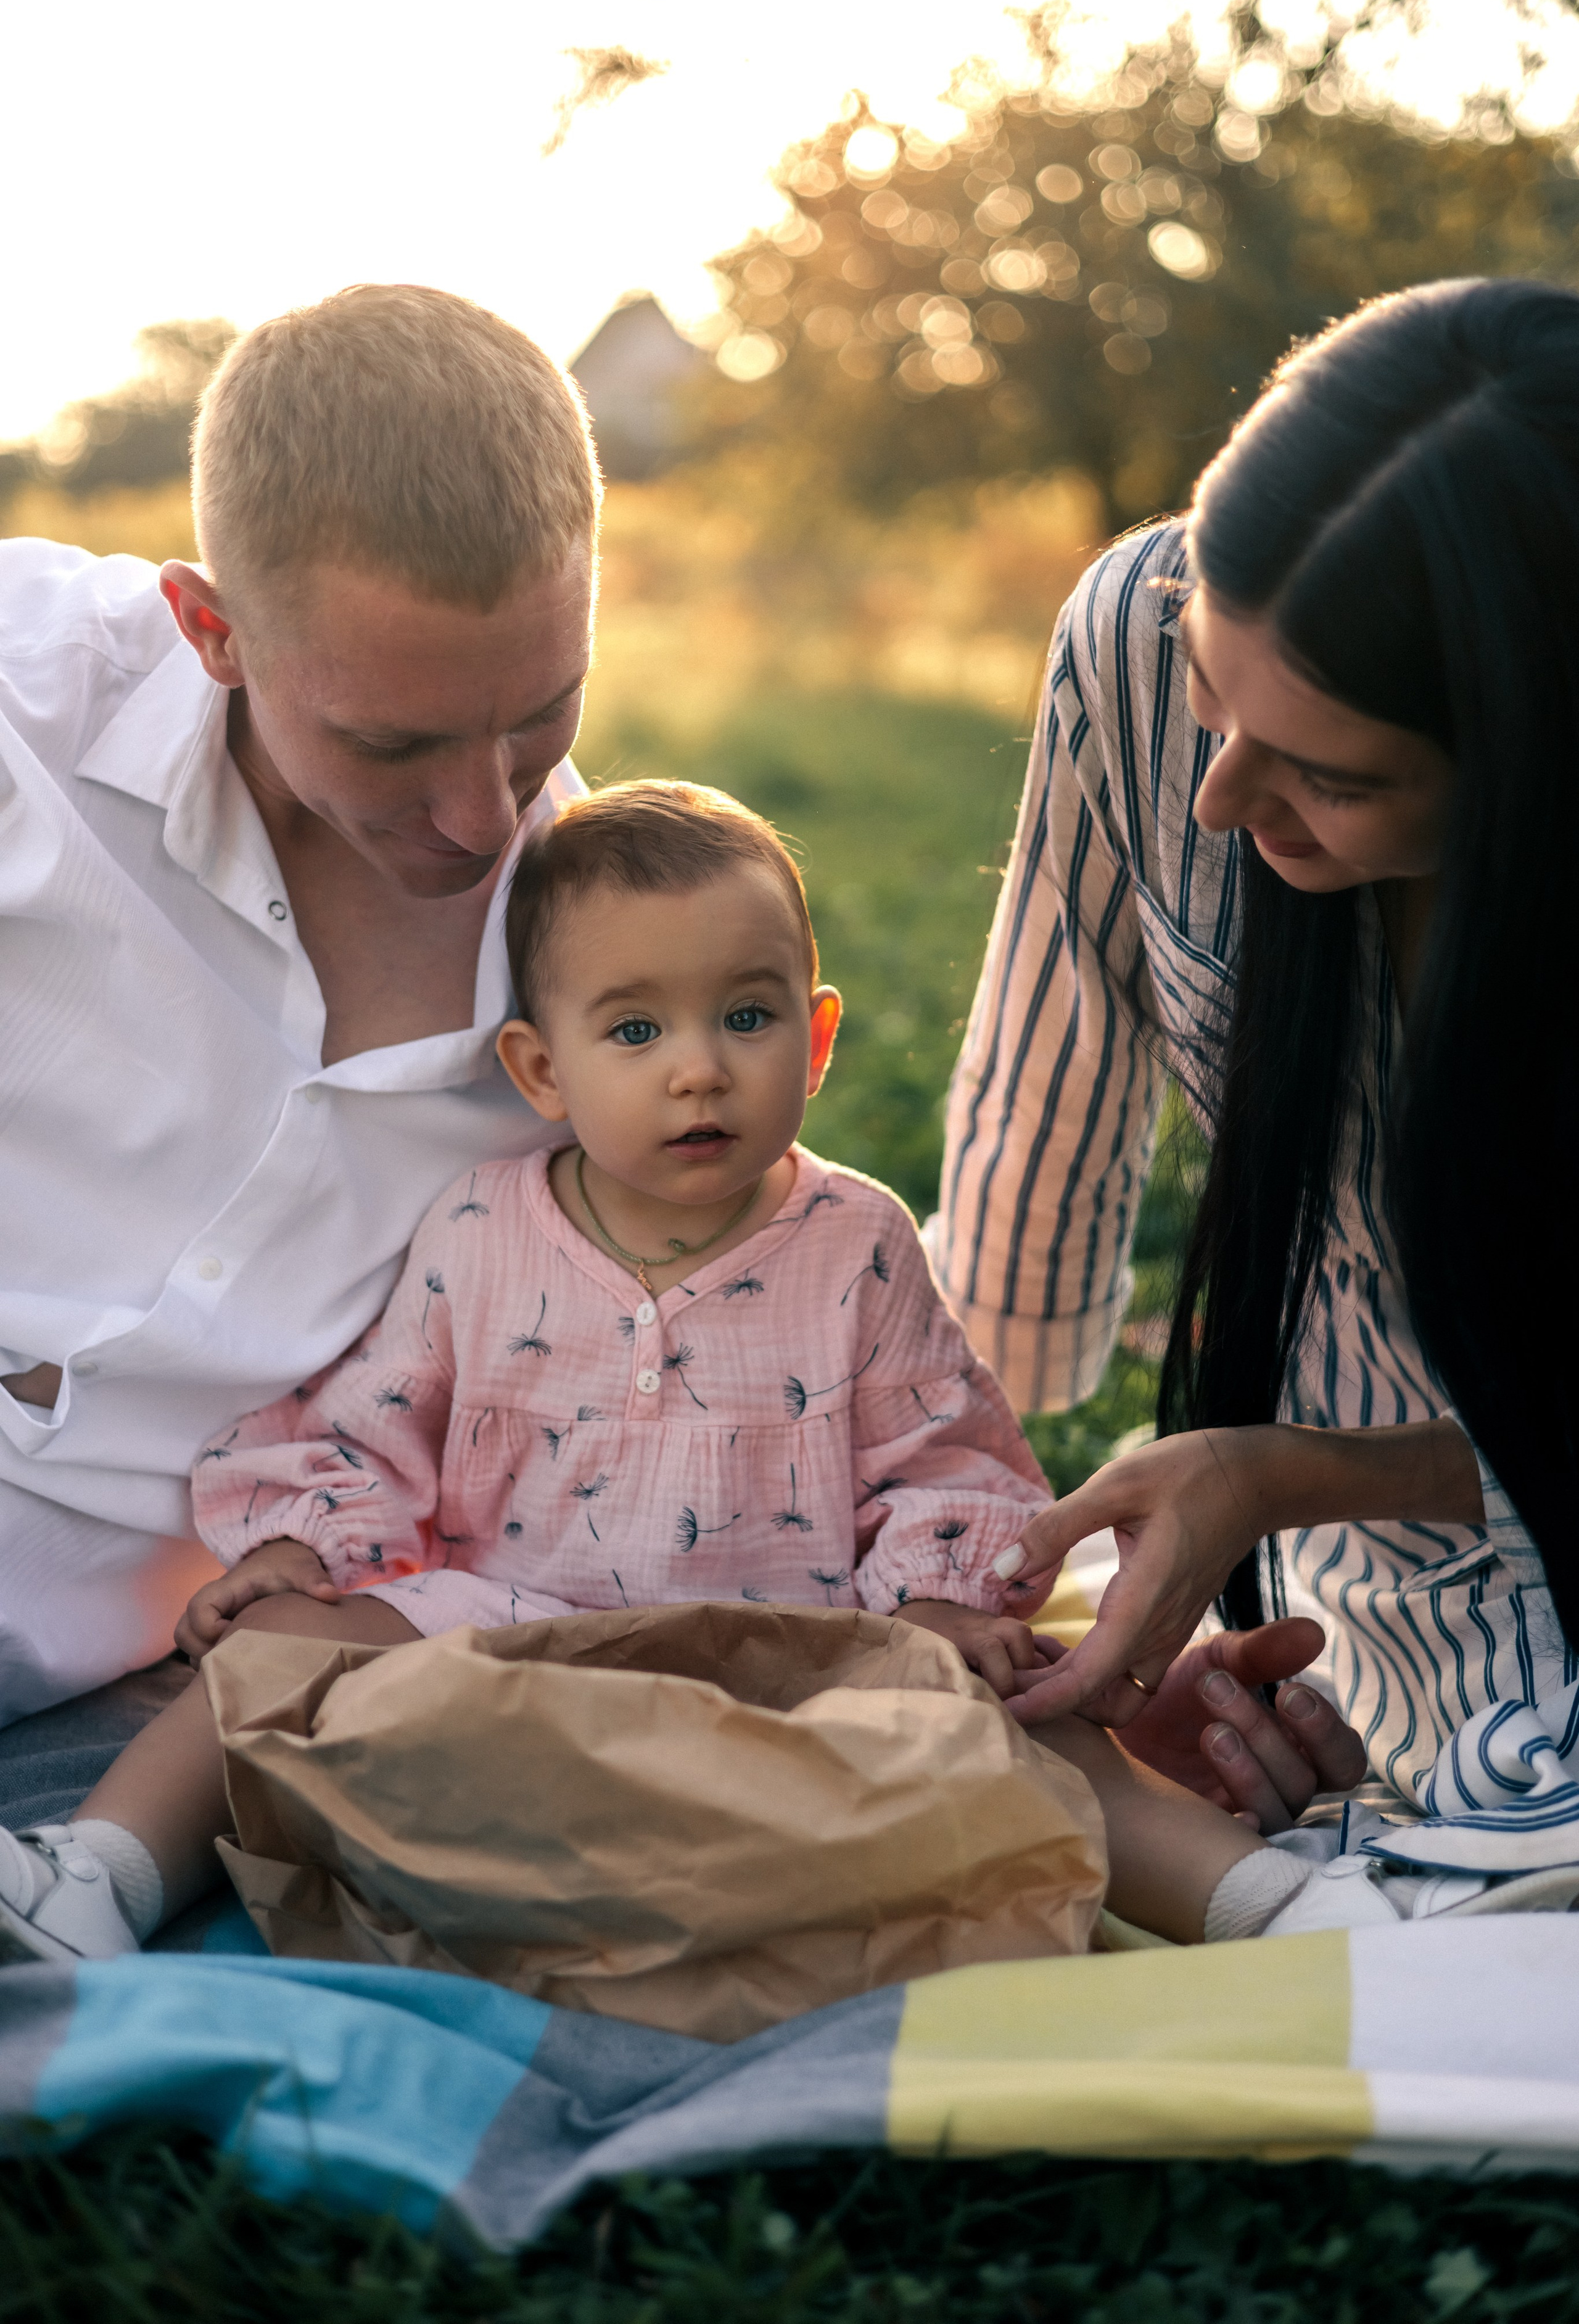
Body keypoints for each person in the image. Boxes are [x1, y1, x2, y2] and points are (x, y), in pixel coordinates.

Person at [1, 780, 1533, 1964]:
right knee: (263, 1658)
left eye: (744, 1018)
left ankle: (1280, 1906)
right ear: (541, 1069)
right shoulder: (479, 1224)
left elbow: (943, 1456)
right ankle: (103, 1876)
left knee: (1022, 1727)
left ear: (813, 1037)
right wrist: (299, 1544)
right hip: (510, 1630)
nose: (697, 1067)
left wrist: (942, 1602)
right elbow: (374, 1426)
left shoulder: (854, 1240)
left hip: (793, 1646)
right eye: (635, 1028)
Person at [936, 277, 1579, 1848]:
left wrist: (1286, 1471)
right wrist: (957, 1562)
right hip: (1333, 1607)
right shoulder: (1129, 635)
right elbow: (1044, 1120)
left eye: (1333, 777)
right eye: (1212, 691)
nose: (1218, 798)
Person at [0, 284, 595, 1723]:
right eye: (393, 742)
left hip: (167, 1690)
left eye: (541, 712)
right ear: (212, 630)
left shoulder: (613, 950)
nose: (478, 815)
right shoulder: (27, 701)